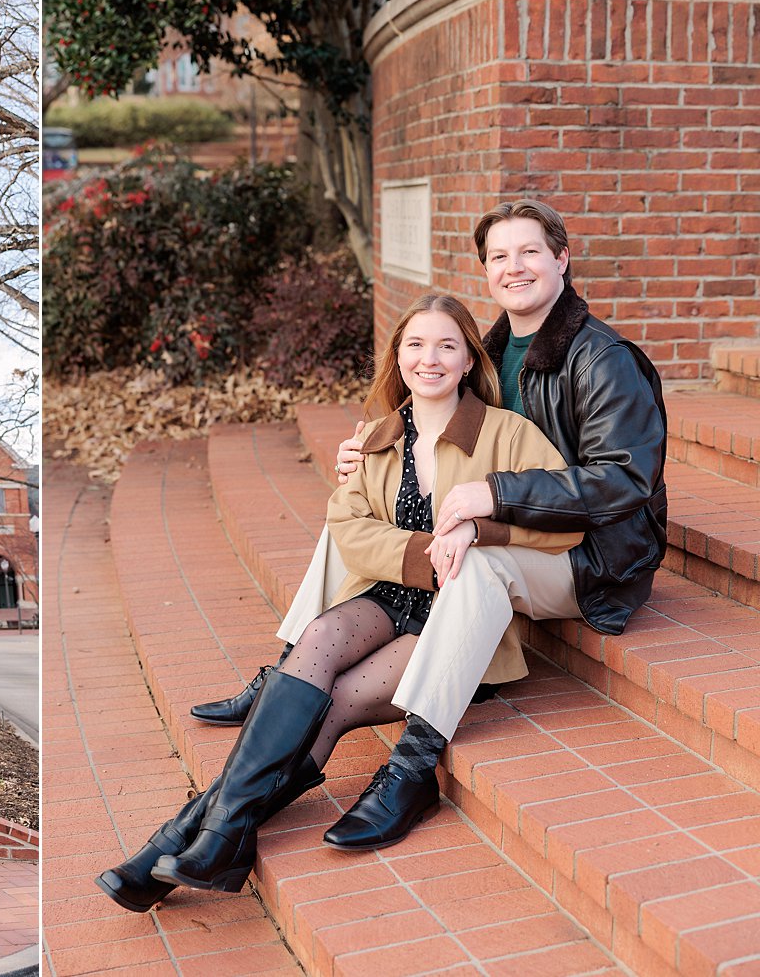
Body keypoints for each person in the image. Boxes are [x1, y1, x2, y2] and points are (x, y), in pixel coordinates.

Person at [190, 197, 667, 851]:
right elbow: (438, 415)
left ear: (562, 257)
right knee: (357, 517)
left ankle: (414, 765)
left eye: (530, 251)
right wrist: (372, 450)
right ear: (486, 270)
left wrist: (491, 496)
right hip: (514, 518)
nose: (515, 266)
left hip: (592, 554)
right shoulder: (494, 347)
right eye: (500, 256)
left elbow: (624, 481)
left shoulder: (604, 358)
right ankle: (290, 672)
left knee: (478, 560)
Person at [98, 295, 582, 911]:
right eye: (414, 346)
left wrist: (480, 530)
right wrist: (426, 552)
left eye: (445, 346)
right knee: (318, 641)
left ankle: (184, 842)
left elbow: (564, 520)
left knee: (332, 705)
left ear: (467, 361)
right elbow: (347, 524)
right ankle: (219, 839)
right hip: (385, 599)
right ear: (397, 358)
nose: (428, 359)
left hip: (451, 625)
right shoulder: (378, 438)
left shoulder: (506, 434)